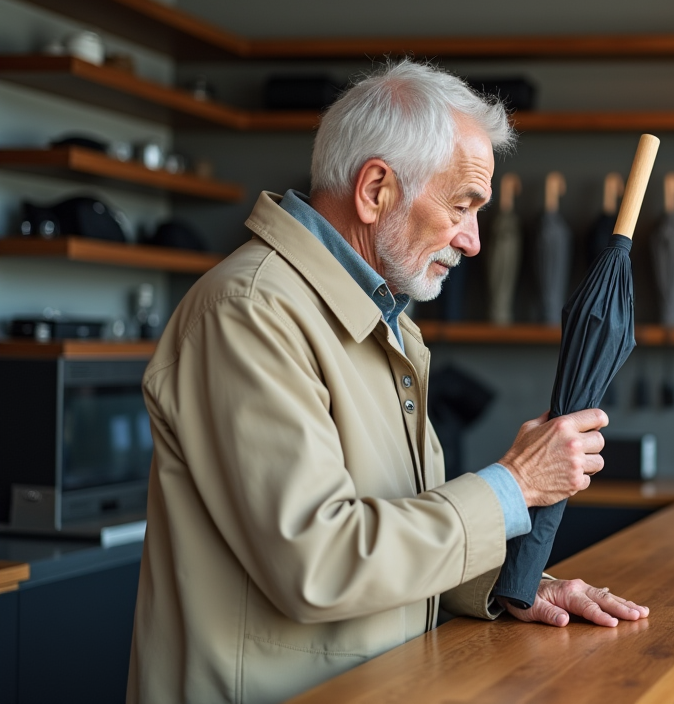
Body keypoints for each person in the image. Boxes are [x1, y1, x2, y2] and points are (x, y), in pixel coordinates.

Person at [127, 61, 647, 704]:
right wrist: (512, 488)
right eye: (462, 205)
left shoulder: (387, 323)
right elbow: (318, 563)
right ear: (376, 189)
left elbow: (390, 535)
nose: (474, 240)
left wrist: (509, 584)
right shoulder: (250, 312)